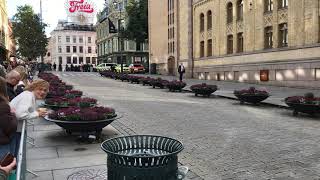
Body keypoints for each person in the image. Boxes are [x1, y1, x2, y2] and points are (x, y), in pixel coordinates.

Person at [10, 79, 50, 153]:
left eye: (45, 90)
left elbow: (26, 111)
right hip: (13, 131)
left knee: (14, 154)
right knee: (13, 154)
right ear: (33, 87)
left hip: (14, 129)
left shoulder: (28, 95)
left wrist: (36, 112)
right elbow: (20, 114)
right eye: (40, 89)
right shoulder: (28, 96)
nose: (42, 92)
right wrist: (37, 114)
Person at [0, 77, 17, 159]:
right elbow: (10, 127)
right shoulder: (2, 105)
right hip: (2, 144)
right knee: (5, 167)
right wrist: (13, 114)